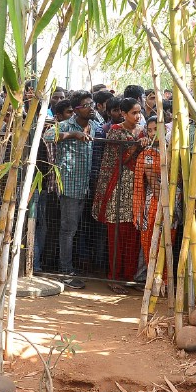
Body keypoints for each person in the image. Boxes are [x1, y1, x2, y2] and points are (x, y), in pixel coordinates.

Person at [43, 92, 100, 286]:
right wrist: (73, 135)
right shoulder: (66, 125)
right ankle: (65, 270)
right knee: (68, 229)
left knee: (75, 229)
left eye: (91, 103)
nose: (91, 107)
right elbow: (48, 136)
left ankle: (69, 266)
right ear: (76, 109)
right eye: (86, 105)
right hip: (68, 186)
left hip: (84, 186)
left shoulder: (94, 125)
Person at [92, 97, 146, 281]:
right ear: (123, 113)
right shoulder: (116, 131)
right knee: (117, 234)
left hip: (137, 187)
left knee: (133, 234)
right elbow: (118, 159)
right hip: (118, 187)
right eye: (134, 113)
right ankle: (114, 277)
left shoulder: (142, 131)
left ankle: (129, 276)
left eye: (139, 112)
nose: (138, 116)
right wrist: (136, 147)